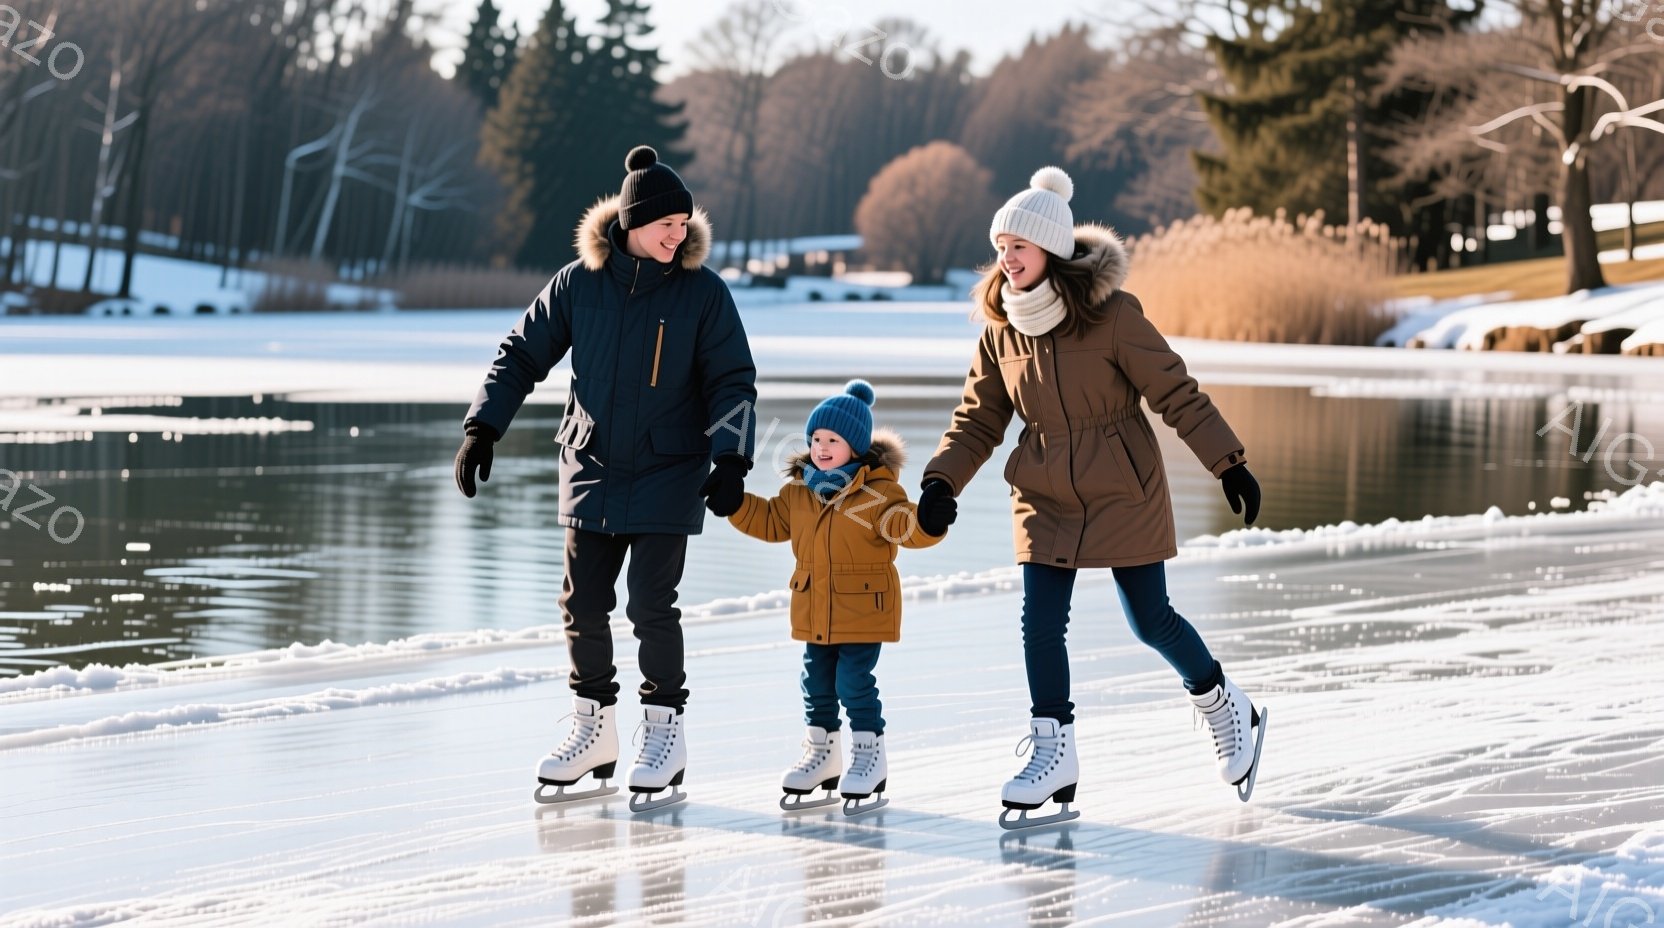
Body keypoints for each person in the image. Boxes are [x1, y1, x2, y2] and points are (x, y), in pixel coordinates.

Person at [917, 166, 1268, 828]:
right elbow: (979, 419)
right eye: (1001, 246)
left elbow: (1175, 392)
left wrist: (1228, 463)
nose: (1006, 258)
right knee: (1040, 624)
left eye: (1019, 246)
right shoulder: (1001, 328)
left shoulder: (1112, 315)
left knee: (1150, 620)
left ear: (1051, 248)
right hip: (1043, 488)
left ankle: (1227, 708)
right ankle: (1054, 753)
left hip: (1122, 483)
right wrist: (942, 480)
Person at [455, 145, 758, 812]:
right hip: (590, 464)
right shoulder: (578, 284)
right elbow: (521, 354)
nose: (677, 235)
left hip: (669, 468)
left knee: (651, 604)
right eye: (666, 224)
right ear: (632, 222)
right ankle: (594, 730)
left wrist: (731, 459)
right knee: (583, 604)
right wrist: (483, 426)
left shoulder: (703, 293)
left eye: (683, 224)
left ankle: (664, 733)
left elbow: (732, 380)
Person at [725, 380, 952, 816]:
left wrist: (928, 522)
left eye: (833, 440)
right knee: (816, 684)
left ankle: (869, 756)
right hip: (815, 608)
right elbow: (770, 521)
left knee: (853, 682)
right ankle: (822, 755)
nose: (822, 448)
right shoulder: (798, 493)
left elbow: (902, 526)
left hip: (863, 609)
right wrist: (735, 504)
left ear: (856, 447)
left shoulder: (878, 494)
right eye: (816, 439)